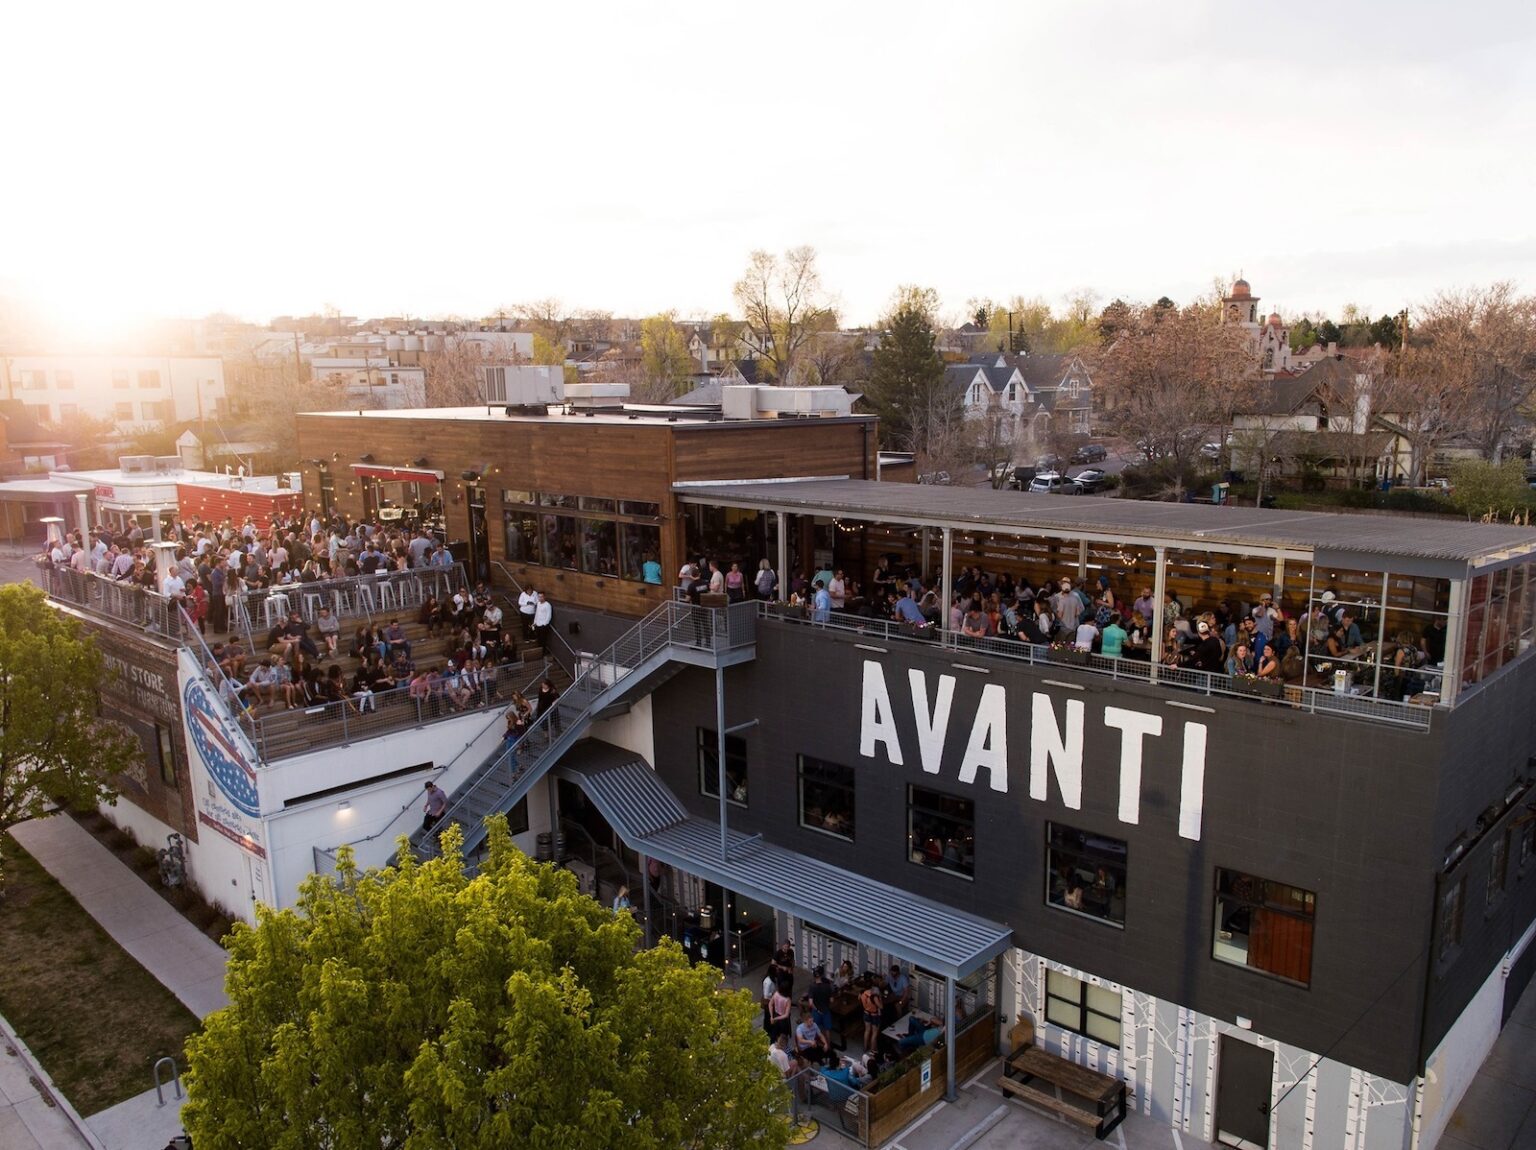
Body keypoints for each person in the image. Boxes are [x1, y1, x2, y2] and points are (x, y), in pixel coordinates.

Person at [809, 965, 835, 1042]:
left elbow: (810, 1003)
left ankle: (815, 1045)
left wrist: (817, 1010)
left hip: (816, 1012)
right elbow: (831, 1000)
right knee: (827, 1030)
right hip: (826, 1011)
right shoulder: (828, 986)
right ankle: (828, 1046)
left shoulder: (812, 986)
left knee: (814, 1029)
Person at [859, 981, 884, 1054]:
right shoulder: (874, 996)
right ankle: (873, 1050)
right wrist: (880, 998)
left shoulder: (863, 993)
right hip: (874, 1015)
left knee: (867, 1031)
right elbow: (881, 1006)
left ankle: (865, 1047)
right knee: (874, 1033)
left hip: (866, 1013)